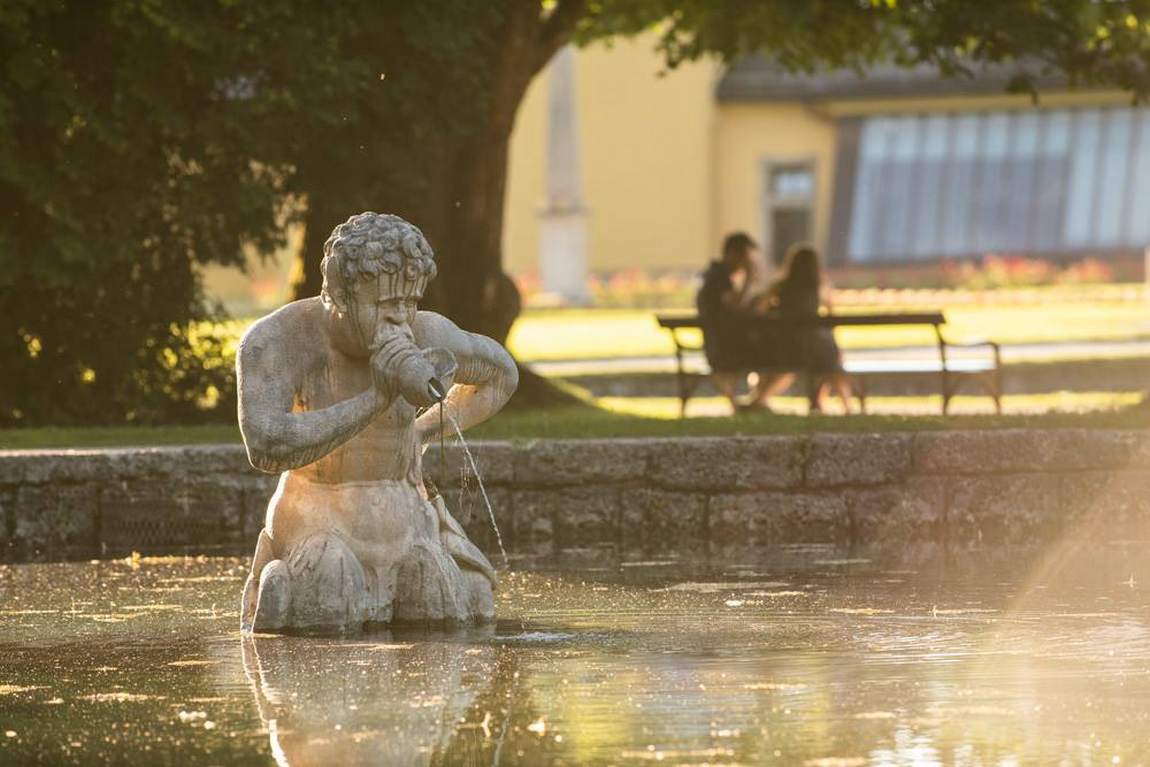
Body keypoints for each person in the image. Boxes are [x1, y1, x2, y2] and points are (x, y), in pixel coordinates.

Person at [237, 212, 518, 633]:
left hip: (405, 520)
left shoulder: (426, 335)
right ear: (339, 295)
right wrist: (377, 399)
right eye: (385, 305)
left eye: (409, 302)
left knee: (442, 608)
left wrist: (422, 431)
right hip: (318, 519)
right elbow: (266, 444)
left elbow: (501, 376)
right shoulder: (281, 341)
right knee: (328, 597)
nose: (400, 319)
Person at [696, 233, 789, 413]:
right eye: (745, 258)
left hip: (726, 344)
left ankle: (756, 402)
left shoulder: (717, 275)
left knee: (776, 350)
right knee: (784, 355)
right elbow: (736, 306)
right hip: (725, 347)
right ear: (733, 253)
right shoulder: (719, 277)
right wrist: (748, 280)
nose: (746, 263)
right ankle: (757, 402)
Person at [767, 243, 853, 414]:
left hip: (788, 346)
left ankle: (820, 401)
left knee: (826, 354)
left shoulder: (781, 286)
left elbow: (762, 306)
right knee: (831, 355)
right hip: (812, 347)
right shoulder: (818, 286)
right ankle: (845, 405)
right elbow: (830, 318)